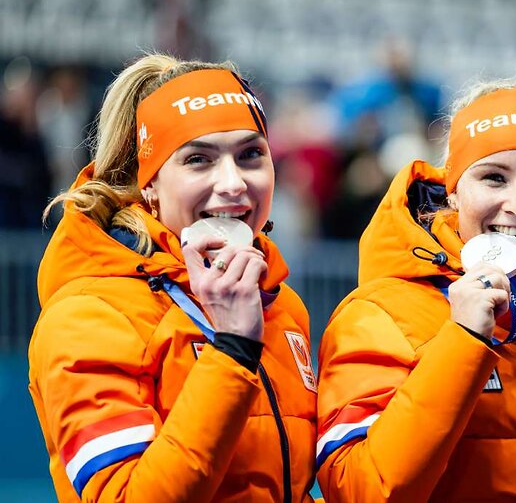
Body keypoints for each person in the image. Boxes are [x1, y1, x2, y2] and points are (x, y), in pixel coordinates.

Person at [315, 78, 516, 501]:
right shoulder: (379, 314)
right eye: (494, 178)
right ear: (454, 191)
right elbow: (357, 491)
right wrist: (461, 343)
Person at [27, 55, 318, 502]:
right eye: (198, 159)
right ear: (149, 183)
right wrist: (233, 349)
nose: (234, 183)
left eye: (251, 154)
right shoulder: (89, 315)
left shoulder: (279, 305)